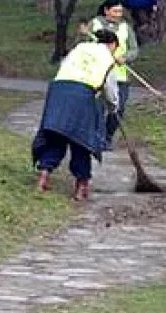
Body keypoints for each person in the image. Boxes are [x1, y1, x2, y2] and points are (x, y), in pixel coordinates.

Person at [32, 29, 120, 201]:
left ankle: (43, 175)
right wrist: (113, 107)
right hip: (81, 94)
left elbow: (64, 69)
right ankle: (81, 186)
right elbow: (110, 91)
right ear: (112, 44)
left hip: (58, 91)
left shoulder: (78, 49)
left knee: (57, 134)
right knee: (81, 140)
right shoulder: (108, 59)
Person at [89, 0, 139, 150]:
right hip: (98, 76)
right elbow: (83, 45)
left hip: (120, 76)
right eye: (115, 11)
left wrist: (126, 57)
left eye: (120, 11)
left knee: (118, 108)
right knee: (98, 108)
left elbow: (134, 49)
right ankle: (97, 137)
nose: (118, 14)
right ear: (106, 10)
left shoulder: (126, 27)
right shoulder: (95, 24)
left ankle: (108, 136)